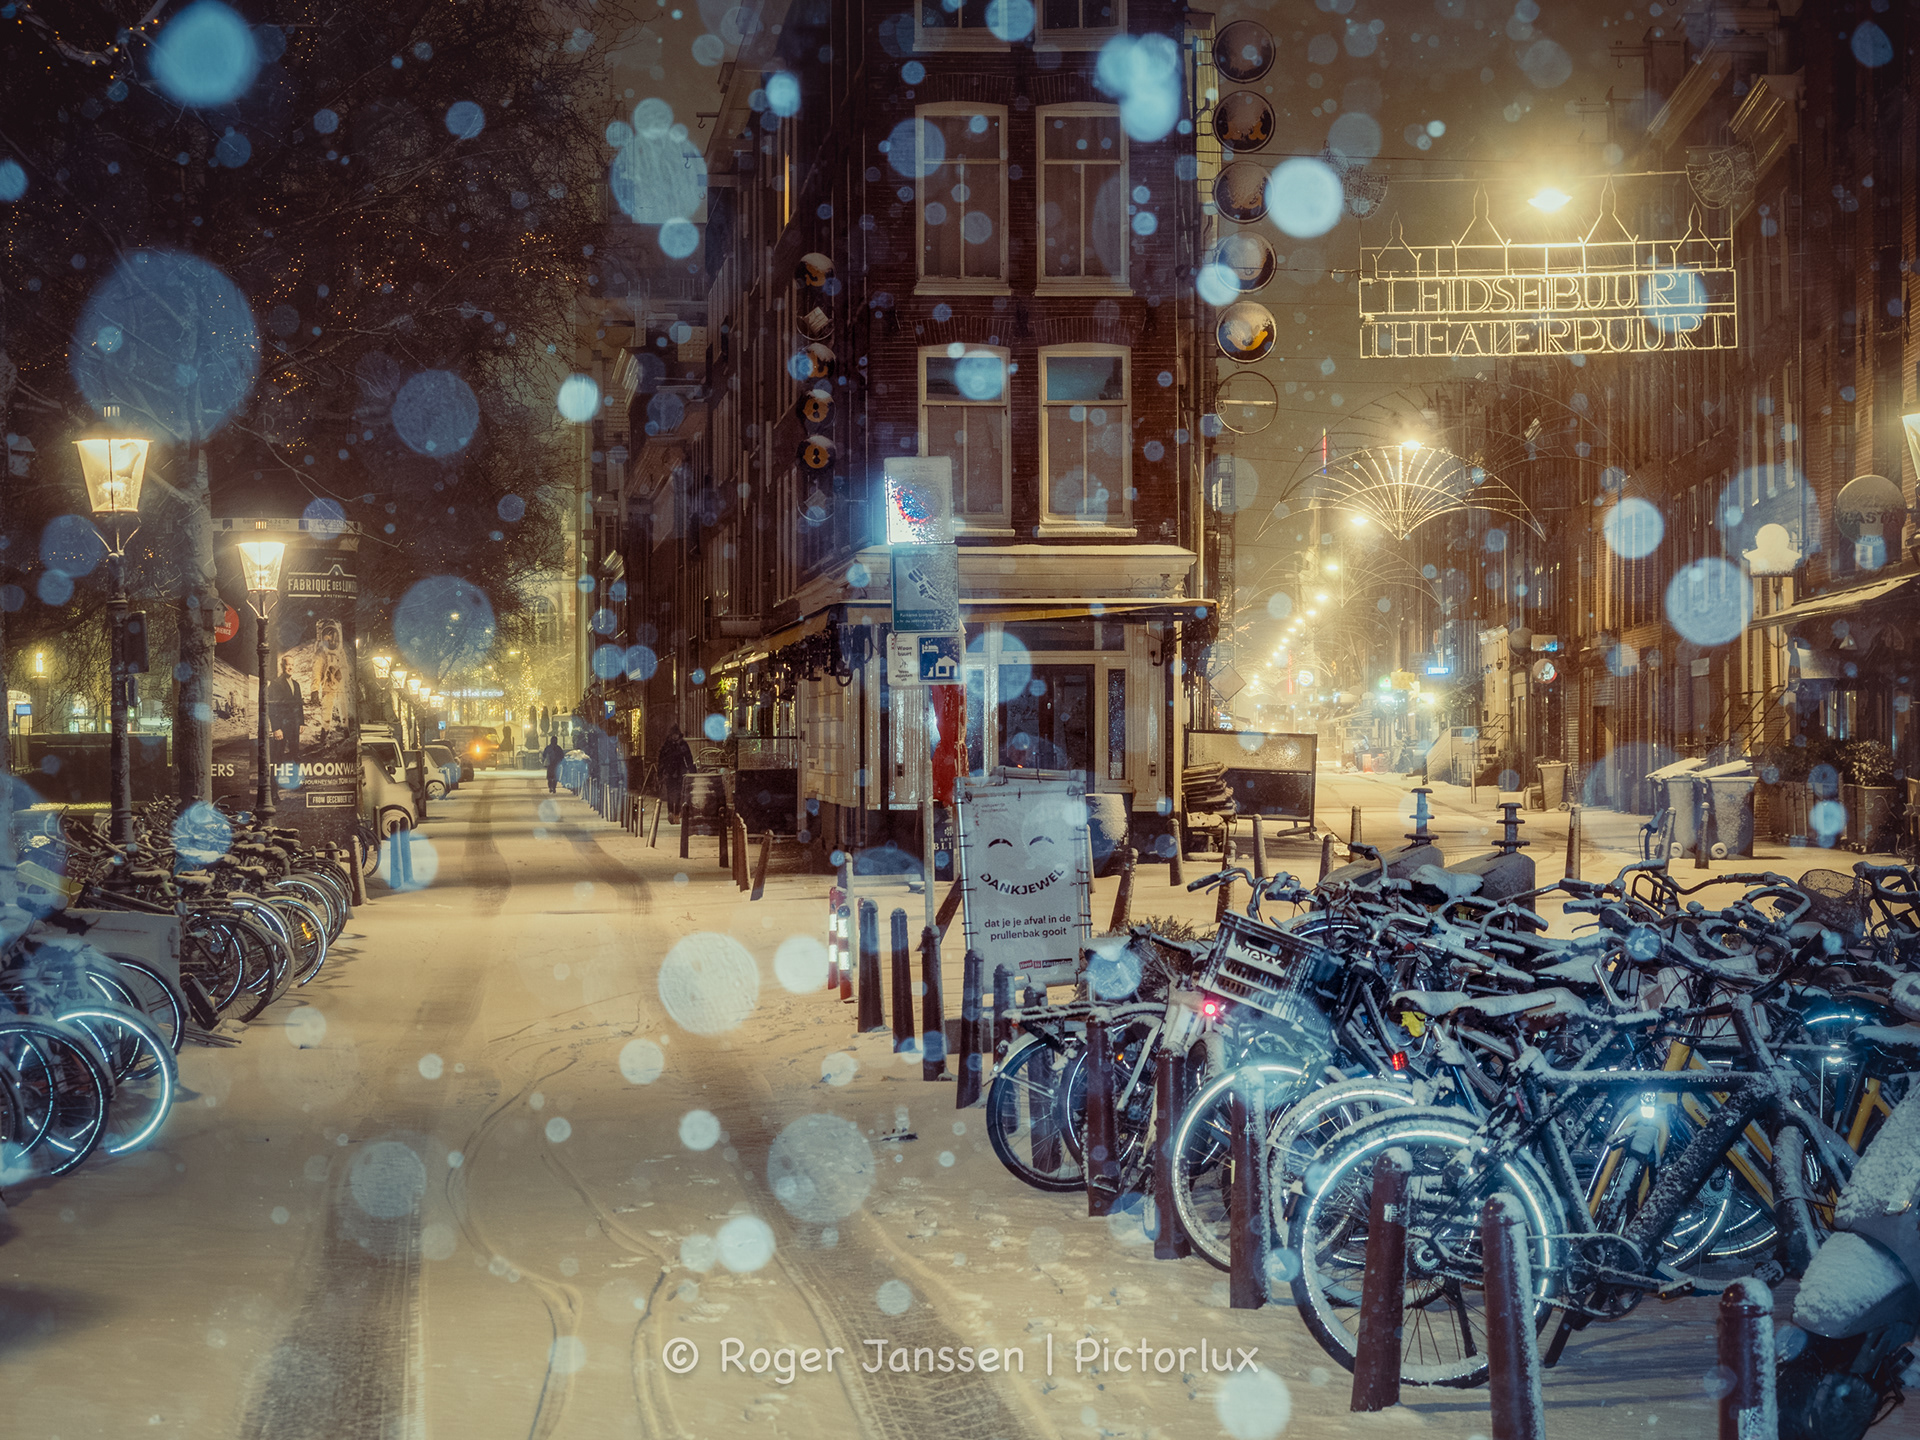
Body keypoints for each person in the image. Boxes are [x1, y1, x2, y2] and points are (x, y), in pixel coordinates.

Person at [265, 655, 303, 762]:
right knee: (278, 757)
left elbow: (299, 704)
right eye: (287, 664)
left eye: (292, 665)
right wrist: (276, 728)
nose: (290, 667)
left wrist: (301, 722)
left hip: (294, 725)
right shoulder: (275, 684)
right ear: (282, 666)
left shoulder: (296, 685)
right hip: (281, 727)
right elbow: (271, 708)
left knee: (295, 755)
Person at [656, 723, 694, 812]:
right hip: (670, 771)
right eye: (673, 734)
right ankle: (671, 812)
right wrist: (661, 772)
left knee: (678, 792)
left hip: (680, 771)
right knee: (670, 792)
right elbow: (662, 759)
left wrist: (691, 770)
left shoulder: (682, 744)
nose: (675, 736)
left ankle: (676, 811)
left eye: (676, 734)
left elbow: (688, 758)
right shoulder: (668, 745)